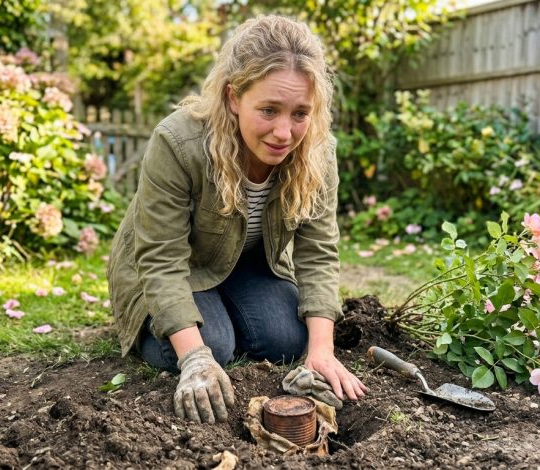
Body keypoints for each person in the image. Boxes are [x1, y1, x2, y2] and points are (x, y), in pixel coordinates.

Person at [107, 14, 367, 424]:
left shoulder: (317, 151)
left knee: (288, 339)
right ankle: (192, 326)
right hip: (175, 268)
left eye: (300, 113)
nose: (285, 132)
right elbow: (160, 258)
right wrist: (195, 358)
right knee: (211, 345)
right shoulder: (179, 143)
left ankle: (224, 311)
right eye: (268, 110)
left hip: (246, 264)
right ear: (233, 97)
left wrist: (321, 352)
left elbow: (318, 253)